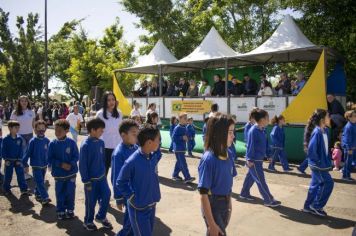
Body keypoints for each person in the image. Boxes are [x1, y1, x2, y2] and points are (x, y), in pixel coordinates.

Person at [116, 124, 161, 236]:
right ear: (149, 143)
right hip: (139, 208)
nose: (160, 142)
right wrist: (132, 197)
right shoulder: (132, 161)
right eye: (158, 140)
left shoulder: (152, 156)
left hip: (151, 204)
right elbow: (121, 182)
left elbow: (158, 153)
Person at [198, 113, 237, 236]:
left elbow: (228, 182)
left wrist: (229, 204)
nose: (233, 136)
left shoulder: (228, 154)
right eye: (230, 132)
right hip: (213, 204)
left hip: (224, 203)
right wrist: (211, 223)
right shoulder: (209, 159)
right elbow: (203, 195)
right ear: (220, 133)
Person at [240, 109, 281, 207]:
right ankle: (268, 200)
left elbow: (266, 144)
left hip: (258, 160)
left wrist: (269, 155)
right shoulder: (253, 131)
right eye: (267, 118)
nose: (269, 120)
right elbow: (250, 146)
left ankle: (244, 193)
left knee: (251, 177)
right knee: (261, 180)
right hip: (254, 161)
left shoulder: (262, 130)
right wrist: (249, 159)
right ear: (262, 119)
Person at [79, 118, 113, 231]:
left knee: (107, 195)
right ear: (93, 130)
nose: (102, 132)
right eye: (100, 130)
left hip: (101, 178)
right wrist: (86, 180)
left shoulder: (101, 142)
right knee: (91, 202)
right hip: (91, 181)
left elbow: (103, 159)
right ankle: (88, 221)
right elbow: (83, 165)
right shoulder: (85, 145)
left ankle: (101, 216)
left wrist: (103, 172)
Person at [302, 109, 334, 217]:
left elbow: (324, 149)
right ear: (322, 120)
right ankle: (316, 206)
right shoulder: (317, 132)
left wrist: (327, 160)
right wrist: (318, 162)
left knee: (314, 186)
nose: (330, 118)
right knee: (328, 183)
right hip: (318, 165)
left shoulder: (325, 130)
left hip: (321, 164)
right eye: (328, 116)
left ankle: (307, 206)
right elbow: (312, 149)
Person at [112, 119, 139, 236]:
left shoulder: (135, 147)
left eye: (137, 133)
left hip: (137, 191)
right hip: (128, 194)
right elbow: (116, 177)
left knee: (135, 221)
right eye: (134, 134)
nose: (136, 136)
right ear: (123, 135)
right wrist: (118, 197)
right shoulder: (119, 153)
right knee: (129, 223)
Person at [48, 119, 79, 220]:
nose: (57, 133)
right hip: (59, 174)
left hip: (71, 174)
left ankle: (70, 210)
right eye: (55, 130)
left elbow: (76, 156)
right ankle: (60, 211)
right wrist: (60, 164)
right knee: (60, 193)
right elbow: (49, 159)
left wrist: (71, 164)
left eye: (59, 130)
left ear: (67, 131)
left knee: (70, 193)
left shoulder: (71, 143)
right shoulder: (52, 144)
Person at [23, 120, 51, 205]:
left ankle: (37, 193)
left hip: (44, 165)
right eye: (38, 128)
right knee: (40, 181)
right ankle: (45, 197)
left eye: (43, 128)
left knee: (40, 180)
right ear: (35, 130)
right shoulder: (33, 141)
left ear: (46, 129)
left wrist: (50, 163)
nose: (41, 130)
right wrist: (24, 163)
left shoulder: (47, 140)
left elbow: (50, 153)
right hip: (36, 165)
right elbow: (28, 153)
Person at [96, 91, 123, 176]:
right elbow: (96, 132)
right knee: (104, 173)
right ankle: (102, 189)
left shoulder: (120, 113)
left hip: (118, 147)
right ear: (105, 102)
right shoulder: (100, 114)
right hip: (105, 147)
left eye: (113, 99)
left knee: (118, 173)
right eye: (109, 100)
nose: (111, 102)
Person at [2, 120, 31, 196]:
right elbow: (3, 150)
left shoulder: (19, 139)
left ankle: (23, 189)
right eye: (16, 127)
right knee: (8, 175)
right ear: (10, 128)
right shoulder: (5, 139)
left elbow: (21, 150)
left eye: (18, 127)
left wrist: (19, 159)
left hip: (18, 160)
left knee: (21, 174)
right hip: (9, 160)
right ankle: (6, 189)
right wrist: (6, 159)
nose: (18, 129)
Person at [10, 95, 35, 180]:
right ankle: (23, 172)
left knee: (27, 154)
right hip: (20, 135)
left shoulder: (31, 112)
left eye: (25, 101)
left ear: (28, 102)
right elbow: (11, 124)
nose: (24, 102)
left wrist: (37, 134)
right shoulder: (15, 112)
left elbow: (33, 124)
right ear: (19, 102)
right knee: (23, 154)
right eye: (22, 101)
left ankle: (25, 172)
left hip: (30, 135)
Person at [171, 113, 195, 183]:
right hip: (178, 149)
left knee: (179, 163)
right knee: (183, 163)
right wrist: (182, 137)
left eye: (186, 118)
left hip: (182, 148)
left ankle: (175, 175)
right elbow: (173, 138)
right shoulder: (177, 127)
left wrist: (188, 137)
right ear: (180, 119)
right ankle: (187, 177)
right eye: (184, 118)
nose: (186, 120)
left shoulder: (185, 127)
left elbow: (186, 135)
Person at [341, 110, 356, 181]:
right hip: (349, 148)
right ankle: (345, 176)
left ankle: (347, 175)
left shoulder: (354, 125)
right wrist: (349, 148)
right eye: (354, 116)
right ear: (349, 118)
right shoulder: (348, 126)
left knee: (349, 162)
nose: (355, 117)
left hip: (352, 147)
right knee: (347, 162)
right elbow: (347, 139)